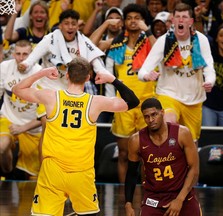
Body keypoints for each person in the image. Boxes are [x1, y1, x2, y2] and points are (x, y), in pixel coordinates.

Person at [12, 57, 139, 215]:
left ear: (67, 75)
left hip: (52, 171)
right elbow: (133, 101)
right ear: (88, 78)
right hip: (81, 172)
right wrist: (112, 79)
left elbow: (18, 89)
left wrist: (42, 73)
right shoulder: (95, 102)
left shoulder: (51, 97)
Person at [18, 9, 115, 161]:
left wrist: (104, 73)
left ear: (78, 26)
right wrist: (25, 64)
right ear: (60, 26)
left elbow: (96, 60)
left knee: (64, 133)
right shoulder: (49, 39)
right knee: (47, 127)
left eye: (73, 24)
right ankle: (44, 167)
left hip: (71, 90)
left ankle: (62, 163)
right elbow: (32, 58)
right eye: (66, 23)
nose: (70, 27)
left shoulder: (83, 42)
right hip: (48, 89)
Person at [138, 3, 215, 145]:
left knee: (191, 144)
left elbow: (209, 67)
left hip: (194, 99)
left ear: (190, 21)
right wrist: (147, 76)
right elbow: (142, 71)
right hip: (169, 94)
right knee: (169, 124)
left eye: (184, 17)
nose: (180, 20)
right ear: (172, 21)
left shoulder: (201, 40)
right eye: (177, 17)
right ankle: (166, 164)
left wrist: (210, 80)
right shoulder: (164, 42)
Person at [106, 3, 156, 183]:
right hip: (123, 103)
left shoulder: (149, 41)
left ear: (143, 21)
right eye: (129, 18)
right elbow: (94, 44)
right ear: (124, 22)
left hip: (146, 102)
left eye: (137, 18)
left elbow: (161, 52)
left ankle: (145, 193)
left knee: (146, 154)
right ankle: (123, 196)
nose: (133, 21)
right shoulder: (117, 43)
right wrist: (106, 25)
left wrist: (148, 31)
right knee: (124, 153)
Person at [124, 97, 201, 216]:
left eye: (154, 114)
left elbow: (194, 169)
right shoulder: (136, 140)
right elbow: (131, 173)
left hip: (182, 194)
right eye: (146, 116)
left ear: (162, 112)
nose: (151, 119)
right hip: (154, 197)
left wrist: (179, 200)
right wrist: (128, 203)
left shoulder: (182, 133)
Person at [0, 40, 42, 179]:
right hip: (8, 118)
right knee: (1, 146)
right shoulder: (4, 67)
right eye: (18, 53)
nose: (21, 58)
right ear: (13, 54)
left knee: (33, 178)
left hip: (32, 128)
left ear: (32, 55)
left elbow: (46, 114)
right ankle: (6, 170)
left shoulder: (40, 74)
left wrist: (23, 127)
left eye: (25, 54)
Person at [202, 26, 223, 126]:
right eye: (221, 35)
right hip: (208, 107)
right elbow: (200, 38)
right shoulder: (210, 54)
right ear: (216, 39)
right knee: (209, 138)